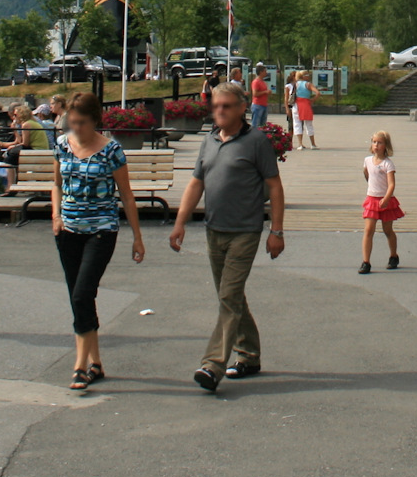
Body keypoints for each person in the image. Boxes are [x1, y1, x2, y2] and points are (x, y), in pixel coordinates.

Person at [169, 82, 286, 392]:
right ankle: (249, 355)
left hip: (244, 231)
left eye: (227, 106)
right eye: (216, 105)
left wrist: (276, 231)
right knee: (230, 296)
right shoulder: (209, 140)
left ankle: (212, 365)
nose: (219, 110)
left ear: (241, 108)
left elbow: (274, 186)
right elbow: (196, 183)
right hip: (213, 229)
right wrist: (180, 223)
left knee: (228, 296)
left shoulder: (256, 141)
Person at [49, 92, 145, 390]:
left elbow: (126, 195)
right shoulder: (63, 145)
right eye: (71, 123)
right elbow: (56, 183)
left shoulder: (111, 150)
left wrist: (137, 238)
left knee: (82, 294)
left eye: (81, 123)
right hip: (68, 230)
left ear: (95, 121)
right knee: (79, 296)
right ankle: (96, 363)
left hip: (101, 230)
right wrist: (55, 215)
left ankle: (79, 366)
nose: (75, 128)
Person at [358, 131, 403, 273]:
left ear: (386, 146)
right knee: (368, 230)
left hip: (385, 199)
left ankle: (393, 255)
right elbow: (367, 174)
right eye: (374, 142)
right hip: (372, 198)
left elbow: (391, 184)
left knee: (387, 230)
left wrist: (386, 198)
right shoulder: (367, 161)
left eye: (380, 143)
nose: (376, 145)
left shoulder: (387, 164)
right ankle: (366, 262)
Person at [0, 103, 34, 195]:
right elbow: (18, 141)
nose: (13, 119)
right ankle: (5, 182)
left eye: (14, 116)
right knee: (8, 154)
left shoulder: (26, 124)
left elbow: (23, 143)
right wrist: (1, 144)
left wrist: (14, 132)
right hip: (30, 149)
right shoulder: (23, 124)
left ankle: (6, 185)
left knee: (9, 157)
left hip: (35, 150)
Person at [292, 72, 319, 149]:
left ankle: (300, 144)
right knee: (309, 124)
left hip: (296, 104)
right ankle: (313, 144)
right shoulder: (308, 84)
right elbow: (317, 93)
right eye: (307, 75)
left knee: (297, 124)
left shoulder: (296, 84)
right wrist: (313, 100)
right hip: (306, 104)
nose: (309, 76)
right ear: (303, 76)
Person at [249, 64, 271, 130]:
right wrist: (265, 92)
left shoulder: (263, 82)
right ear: (261, 72)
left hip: (264, 105)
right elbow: (255, 93)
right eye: (265, 71)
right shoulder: (256, 82)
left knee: (263, 125)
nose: (266, 73)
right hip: (257, 105)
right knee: (256, 124)